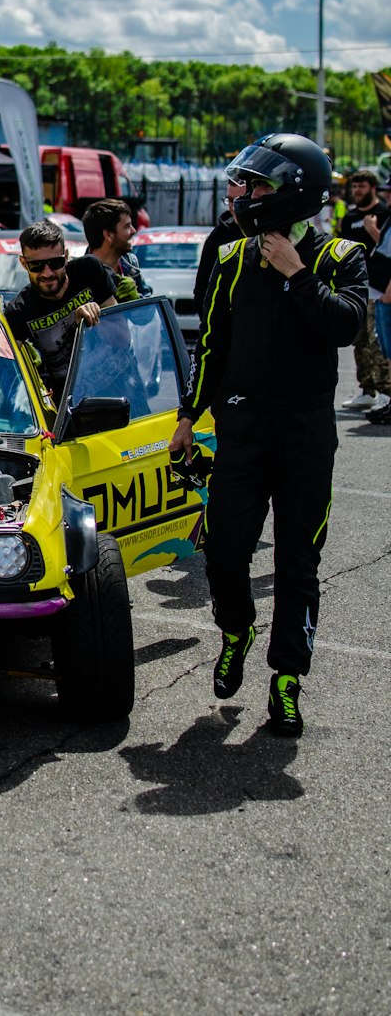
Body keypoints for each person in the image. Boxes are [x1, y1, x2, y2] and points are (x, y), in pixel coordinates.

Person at [170, 133, 367, 738]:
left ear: (291, 193)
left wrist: (298, 273)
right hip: (241, 426)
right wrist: (187, 416)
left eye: (257, 186)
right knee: (225, 554)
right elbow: (211, 345)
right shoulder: (230, 259)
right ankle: (236, 629)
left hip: (306, 430)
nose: (246, 195)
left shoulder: (339, 256)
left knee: (297, 562)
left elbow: (347, 326)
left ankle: (287, 680)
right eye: (245, 184)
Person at [3, 218, 117, 397]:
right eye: (36, 266)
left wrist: (90, 322)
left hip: (122, 387)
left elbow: (123, 338)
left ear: (66, 256)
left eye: (55, 263)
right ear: (24, 263)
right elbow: (11, 377)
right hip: (73, 408)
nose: (47, 273)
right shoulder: (19, 311)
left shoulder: (89, 270)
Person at [338, 169, 390, 412]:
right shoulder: (349, 218)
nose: (357, 192)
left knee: (376, 341)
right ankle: (367, 389)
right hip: (356, 287)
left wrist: (371, 230)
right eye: (354, 187)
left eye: (361, 187)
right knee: (359, 341)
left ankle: (385, 391)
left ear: (372, 188)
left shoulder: (383, 214)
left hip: (379, 287)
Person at [82, 198, 152, 302]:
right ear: (108, 235)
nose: (133, 231)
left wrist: (137, 299)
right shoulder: (81, 274)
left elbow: (149, 312)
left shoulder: (130, 263)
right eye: (127, 226)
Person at [363, 181, 391, 425]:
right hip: (379, 290)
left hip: (386, 292)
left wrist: (388, 293)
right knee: (383, 348)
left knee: (385, 349)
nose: (387, 196)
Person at [193, 178, 243, 313]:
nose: (232, 207)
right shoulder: (219, 236)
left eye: (238, 201)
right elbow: (202, 289)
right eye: (229, 200)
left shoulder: (269, 232)